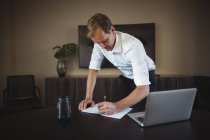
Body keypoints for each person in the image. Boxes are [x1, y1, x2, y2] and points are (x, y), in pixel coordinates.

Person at [78, 13, 156, 115]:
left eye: (105, 41)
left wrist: (117, 106)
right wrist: (88, 98)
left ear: (112, 30)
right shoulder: (99, 43)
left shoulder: (133, 45)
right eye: (98, 43)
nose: (102, 46)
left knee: (141, 115)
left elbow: (144, 89)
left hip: (146, 78)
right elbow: (93, 69)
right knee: (118, 115)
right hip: (126, 78)